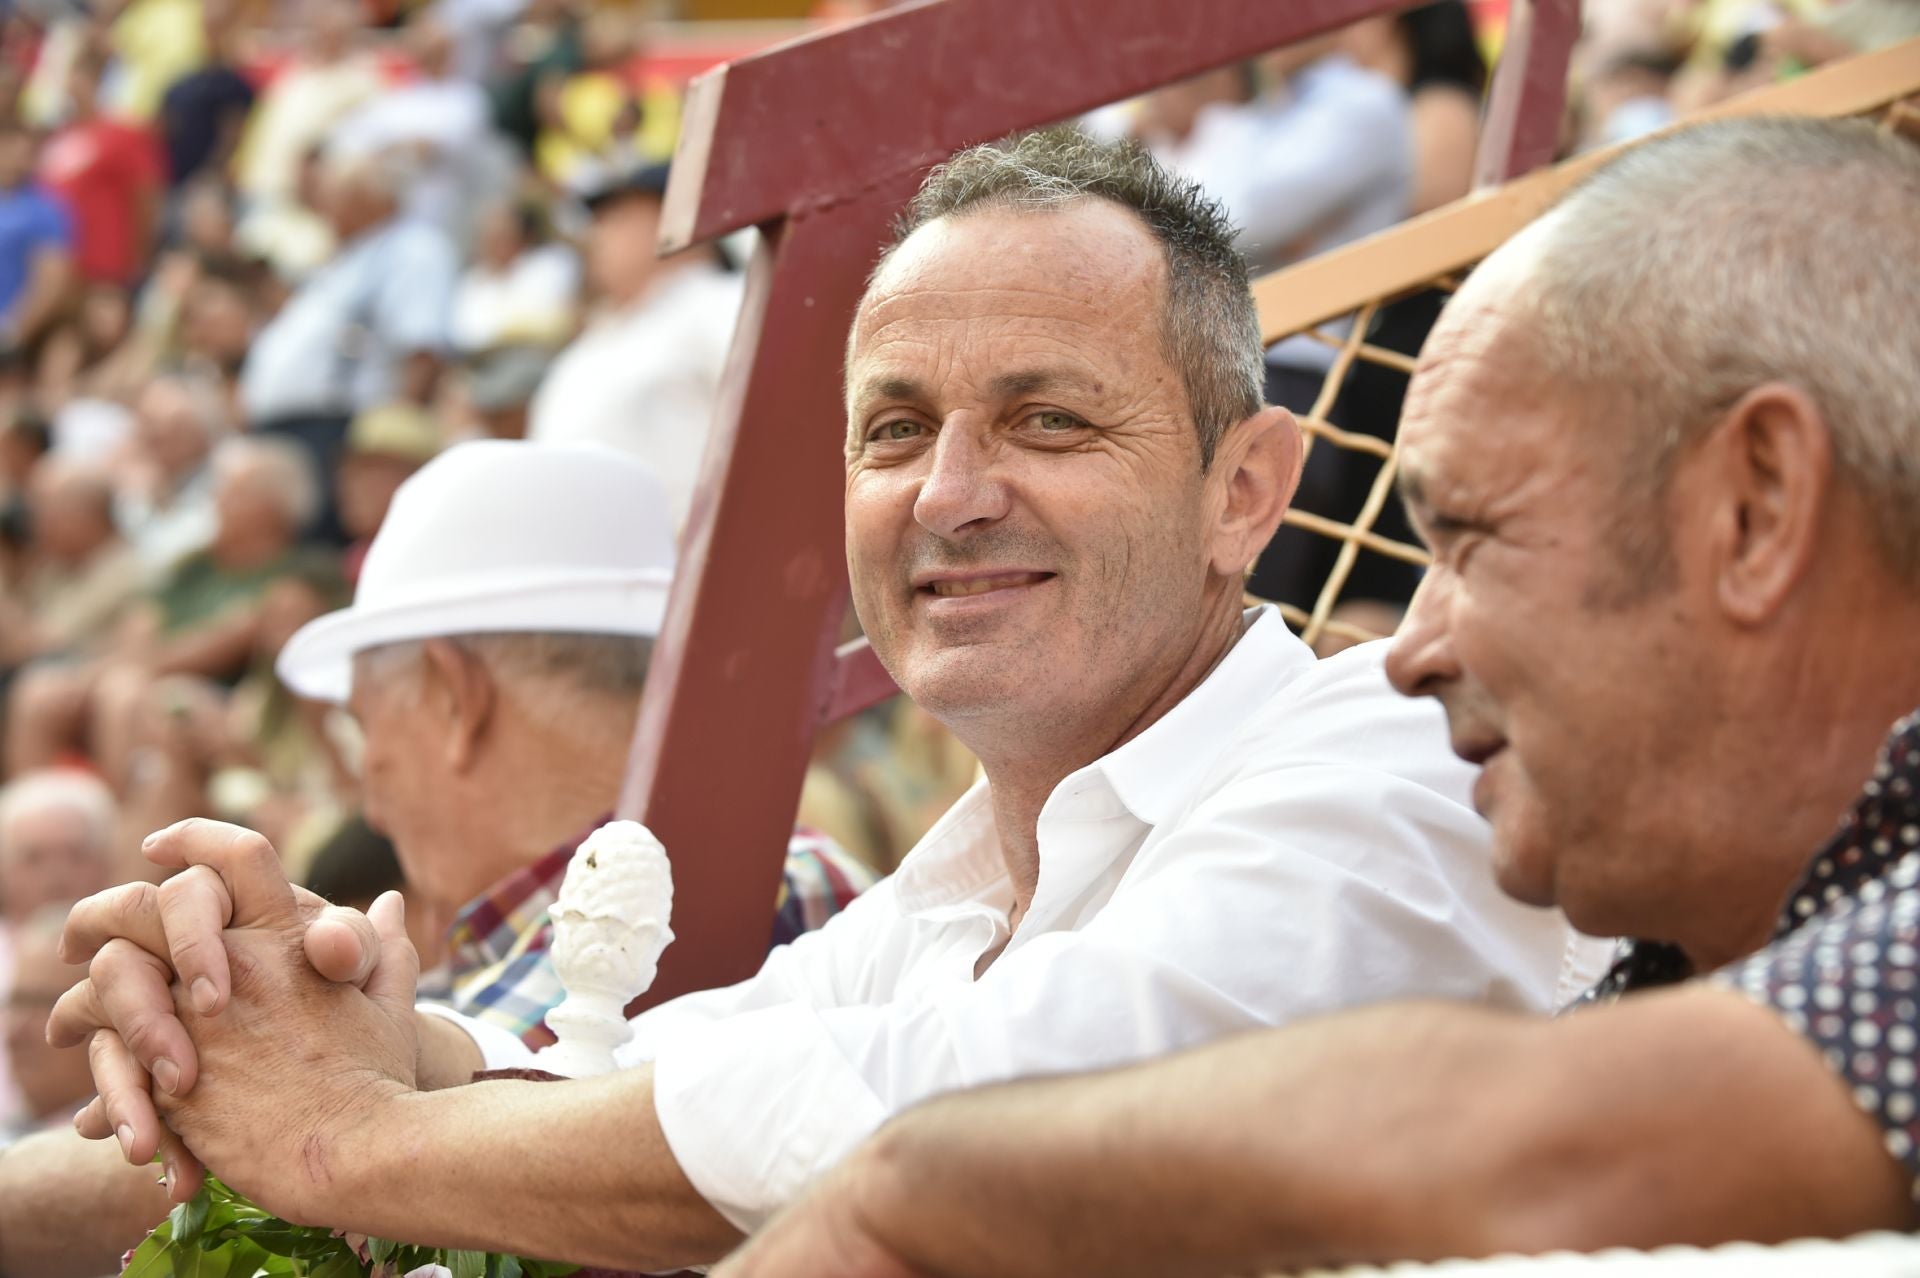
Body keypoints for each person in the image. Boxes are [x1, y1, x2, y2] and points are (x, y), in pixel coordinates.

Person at [54, 131, 1603, 1270]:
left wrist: (350, 1137)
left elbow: (994, 1115)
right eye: (894, 429)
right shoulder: (959, 887)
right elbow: (664, 1076)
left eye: (1048, 419)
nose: (950, 494)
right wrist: (370, 1049)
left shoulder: (1392, 752)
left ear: (1245, 490)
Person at [713, 116, 1920, 1277]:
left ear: (1754, 511)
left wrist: (914, 1183)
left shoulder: (1380, 757)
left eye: (1475, 540)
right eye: (896, 430)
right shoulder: (1694, 949)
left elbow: (1544, 1150)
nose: (1408, 650)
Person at [238, 147, 458, 541]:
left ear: (375, 197)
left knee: (322, 545)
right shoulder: (344, 259)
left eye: (336, 192)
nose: (325, 205)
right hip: (294, 431)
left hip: (339, 427)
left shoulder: (411, 248)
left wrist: (391, 435)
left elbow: (423, 348)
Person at [525, 161, 739, 530]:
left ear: (678, 217)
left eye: (618, 216)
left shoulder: (721, 300)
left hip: (694, 562)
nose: (596, 235)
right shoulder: (597, 338)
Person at [0, 120, 74, 350]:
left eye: (25, 153)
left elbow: (52, 282)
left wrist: (12, 333)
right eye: (10, 150)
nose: (18, 161)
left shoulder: (44, 210)